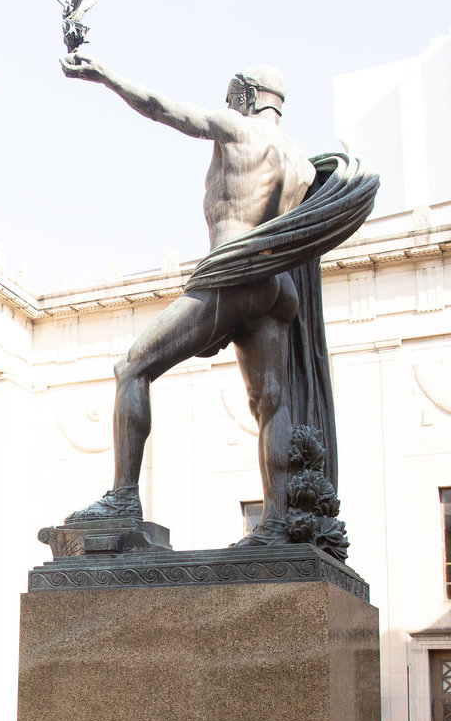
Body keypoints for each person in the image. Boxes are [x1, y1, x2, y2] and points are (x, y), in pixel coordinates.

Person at [60, 57, 336, 537]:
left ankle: (124, 498)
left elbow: (161, 107)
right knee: (271, 401)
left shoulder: (237, 128)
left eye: (233, 97)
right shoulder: (302, 164)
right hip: (277, 286)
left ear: (248, 96)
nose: (228, 105)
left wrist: (105, 74)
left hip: (233, 270)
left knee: (132, 366)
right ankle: (275, 522)